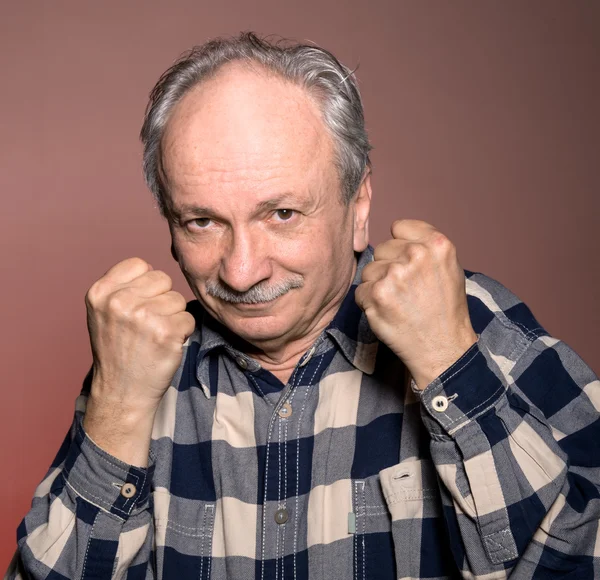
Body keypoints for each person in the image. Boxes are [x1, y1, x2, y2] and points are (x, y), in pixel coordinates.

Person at [6, 32, 600, 580]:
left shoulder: (474, 325)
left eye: (282, 214)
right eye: (202, 221)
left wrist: (451, 368)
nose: (242, 272)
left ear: (358, 202)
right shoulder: (135, 366)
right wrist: (117, 409)